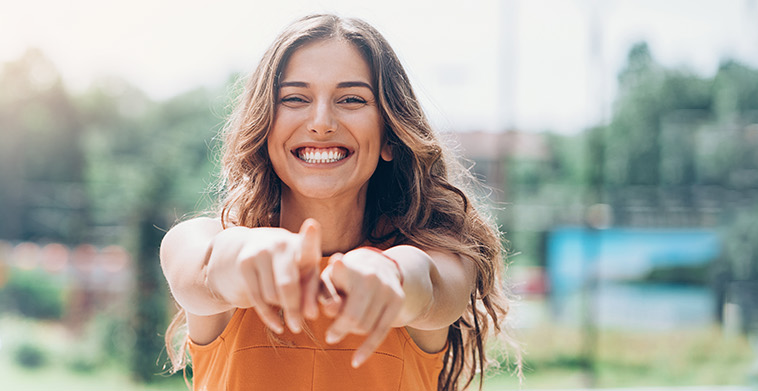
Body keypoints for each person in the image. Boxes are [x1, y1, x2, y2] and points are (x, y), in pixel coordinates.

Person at [159, 14, 517, 390]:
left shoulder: (441, 255)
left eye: (351, 99)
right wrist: (244, 254)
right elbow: (201, 271)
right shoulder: (201, 239)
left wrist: (389, 275)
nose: (321, 122)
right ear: (264, 128)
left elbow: (426, 285)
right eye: (295, 98)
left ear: (390, 138)